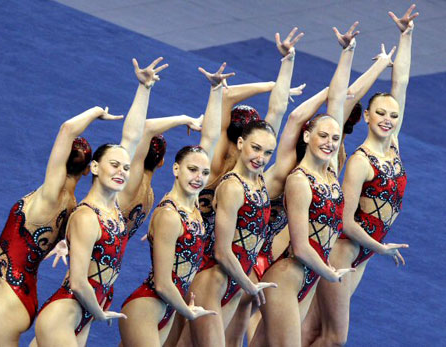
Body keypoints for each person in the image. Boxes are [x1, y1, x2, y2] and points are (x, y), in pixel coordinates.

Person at [174, 28, 304, 347]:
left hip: (231, 272)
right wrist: (266, 84)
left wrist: (287, 62)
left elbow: (277, 114)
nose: (261, 157)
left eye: (266, 151)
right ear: (242, 140)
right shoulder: (217, 171)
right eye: (255, 148)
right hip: (202, 264)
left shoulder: (260, 180)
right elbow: (221, 118)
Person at [0, 105, 122, 346]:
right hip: (22, 292)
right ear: (88, 170)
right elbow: (26, 239)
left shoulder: (52, 194)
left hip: (9, 295)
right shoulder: (72, 207)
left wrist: (96, 112)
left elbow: (67, 129)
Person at [32, 57, 167, 346]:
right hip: (65, 314)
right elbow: (79, 282)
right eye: (114, 165)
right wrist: (101, 314)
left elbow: (131, 138)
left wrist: (144, 89)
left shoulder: (114, 210)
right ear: (94, 168)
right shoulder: (86, 216)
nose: (121, 171)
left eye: (126, 168)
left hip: (82, 316)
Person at [303, 6, 416, 346]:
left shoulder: (392, 146)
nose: (388, 119)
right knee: (335, 337)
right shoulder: (360, 162)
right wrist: (379, 248)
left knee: (314, 329)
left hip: (362, 252)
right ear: (366, 116)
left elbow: (402, 81)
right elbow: (345, 223)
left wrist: (406, 35)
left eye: (393, 115)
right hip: (344, 249)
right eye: (380, 113)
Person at [249, 22, 359, 347]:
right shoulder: (298, 178)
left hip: (308, 274)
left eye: (334, 138)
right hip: (288, 271)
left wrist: (347, 53)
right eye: (322, 136)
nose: (329, 142)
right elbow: (299, 247)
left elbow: (339, 102)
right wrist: (331, 274)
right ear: (308, 137)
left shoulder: (331, 172)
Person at [119, 62, 234, 347]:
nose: (199, 177)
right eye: (192, 170)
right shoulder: (170, 214)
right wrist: (188, 312)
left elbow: (210, 137)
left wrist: (216, 91)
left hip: (168, 309)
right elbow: (161, 283)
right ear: (175, 170)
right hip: (148, 306)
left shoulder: (191, 208)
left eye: (204, 173)